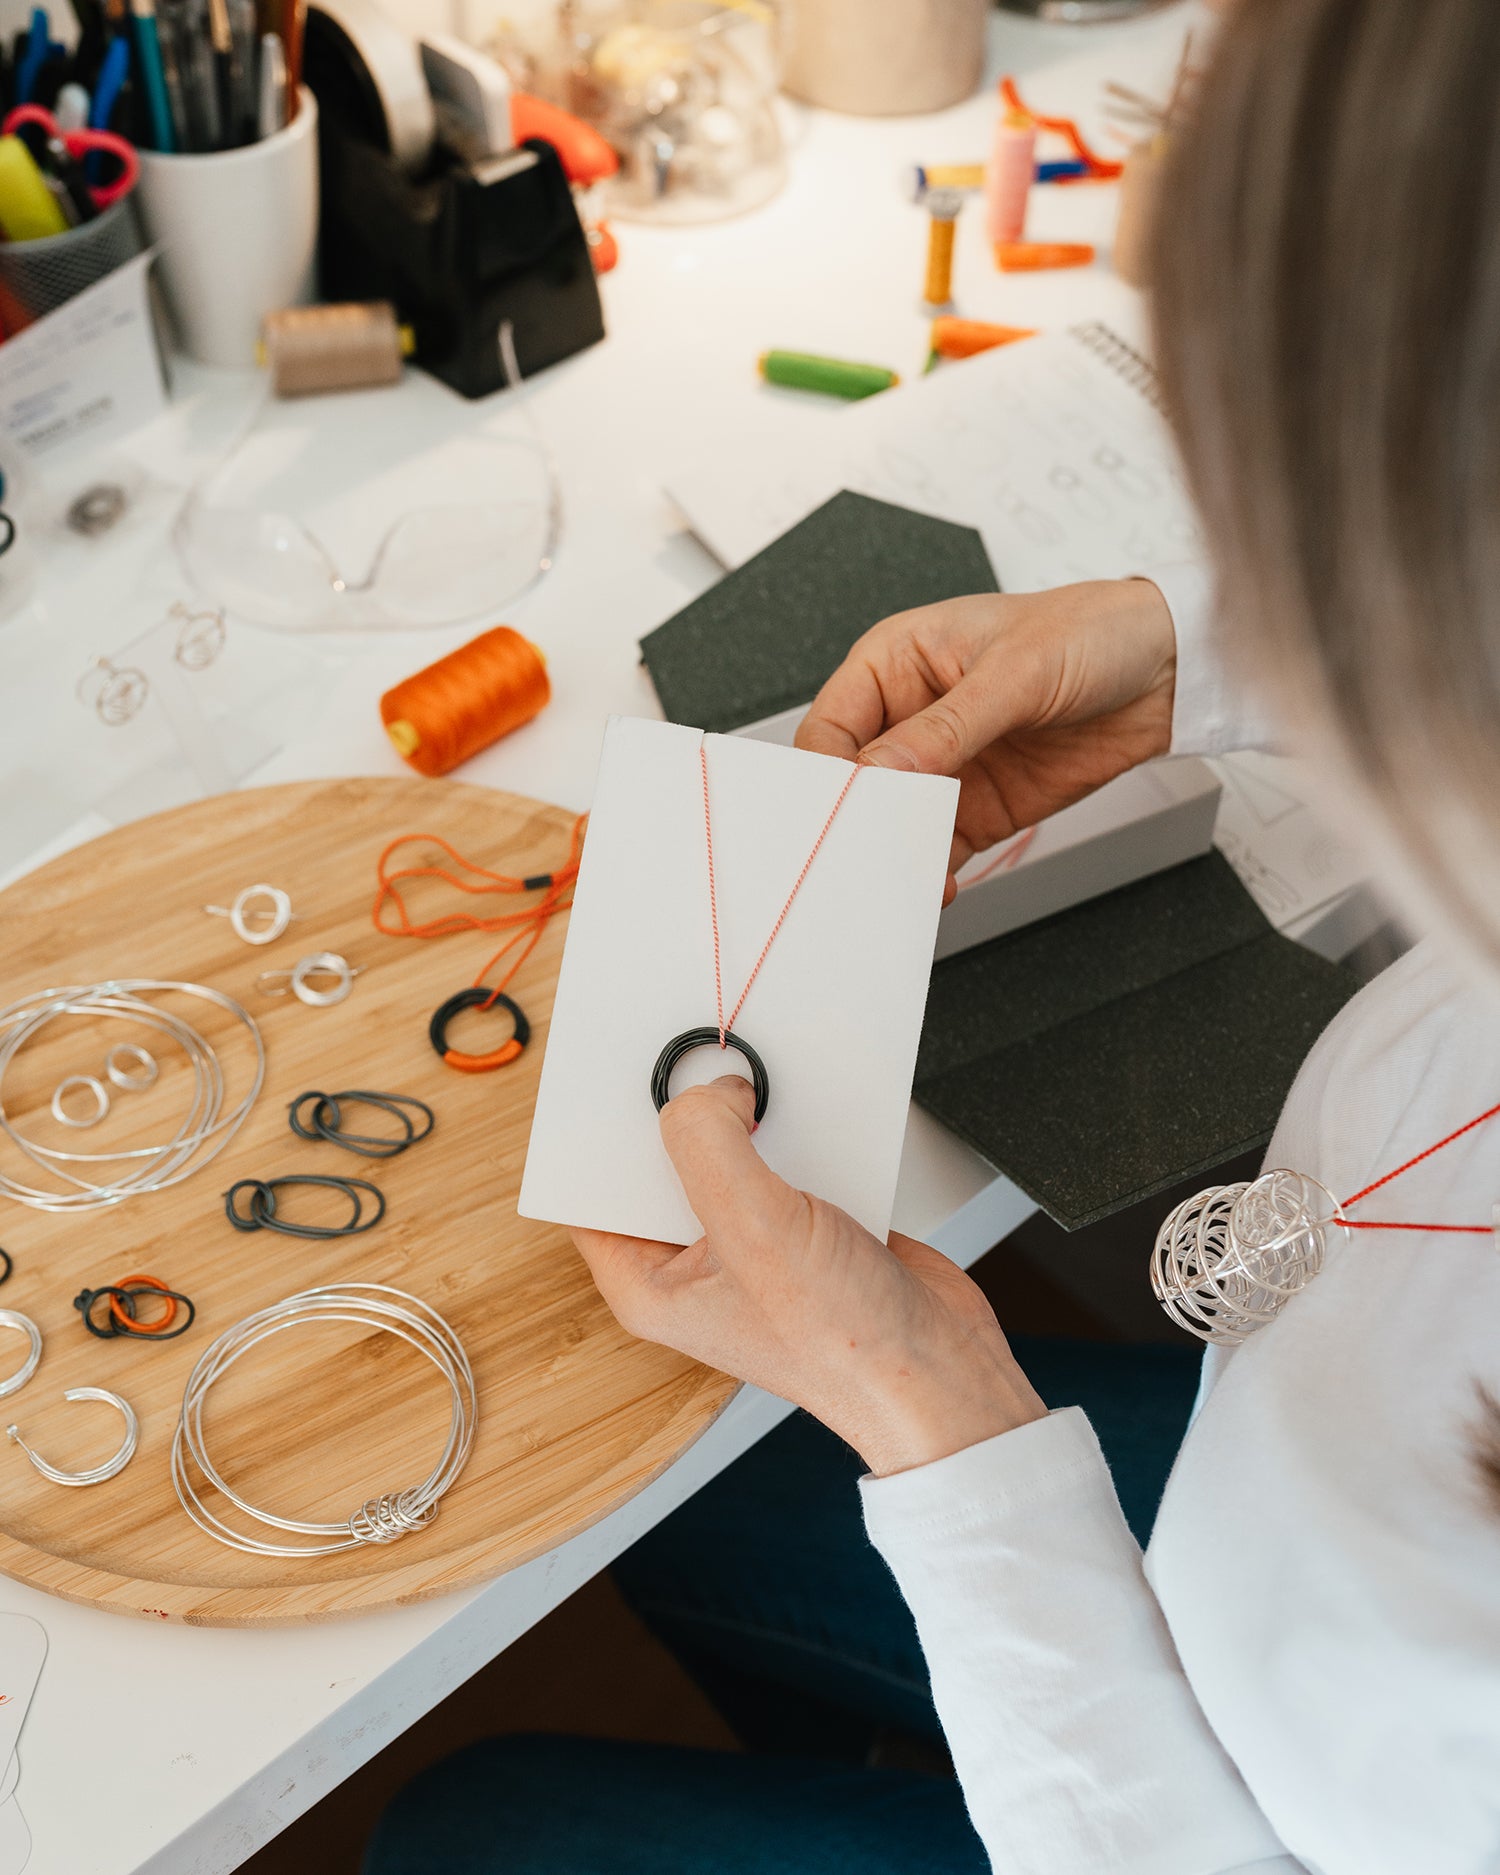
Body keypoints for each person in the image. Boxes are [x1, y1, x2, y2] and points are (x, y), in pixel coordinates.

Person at [366, 2, 1500, 1870]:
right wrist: (1189, 644)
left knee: (467, 1828)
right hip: (1271, 1527)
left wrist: (932, 1409)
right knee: (686, 1507)